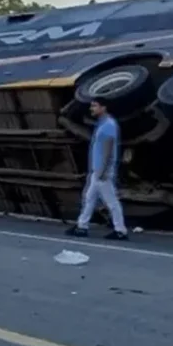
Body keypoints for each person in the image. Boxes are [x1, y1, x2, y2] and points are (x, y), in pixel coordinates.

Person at [66, 96, 128, 240]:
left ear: (103, 107)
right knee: (89, 198)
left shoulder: (108, 125)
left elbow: (108, 148)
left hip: (102, 170)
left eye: (94, 106)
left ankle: (120, 230)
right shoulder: (103, 124)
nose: (91, 108)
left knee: (111, 201)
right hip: (98, 170)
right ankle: (82, 226)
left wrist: (103, 170)